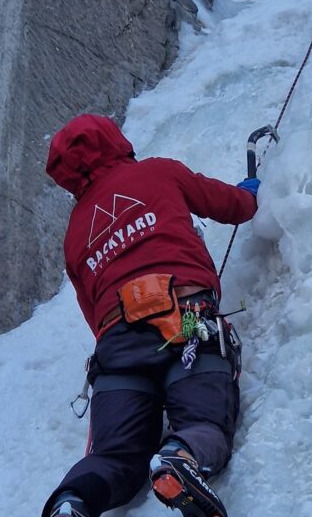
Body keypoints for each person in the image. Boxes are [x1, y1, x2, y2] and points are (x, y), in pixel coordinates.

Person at [41, 114, 260, 517]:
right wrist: (248, 194)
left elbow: (93, 314)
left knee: (114, 456)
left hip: (118, 347)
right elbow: (231, 206)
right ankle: (180, 457)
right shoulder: (158, 173)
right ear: (115, 142)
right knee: (204, 421)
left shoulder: (74, 235)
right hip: (189, 319)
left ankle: (74, 502)